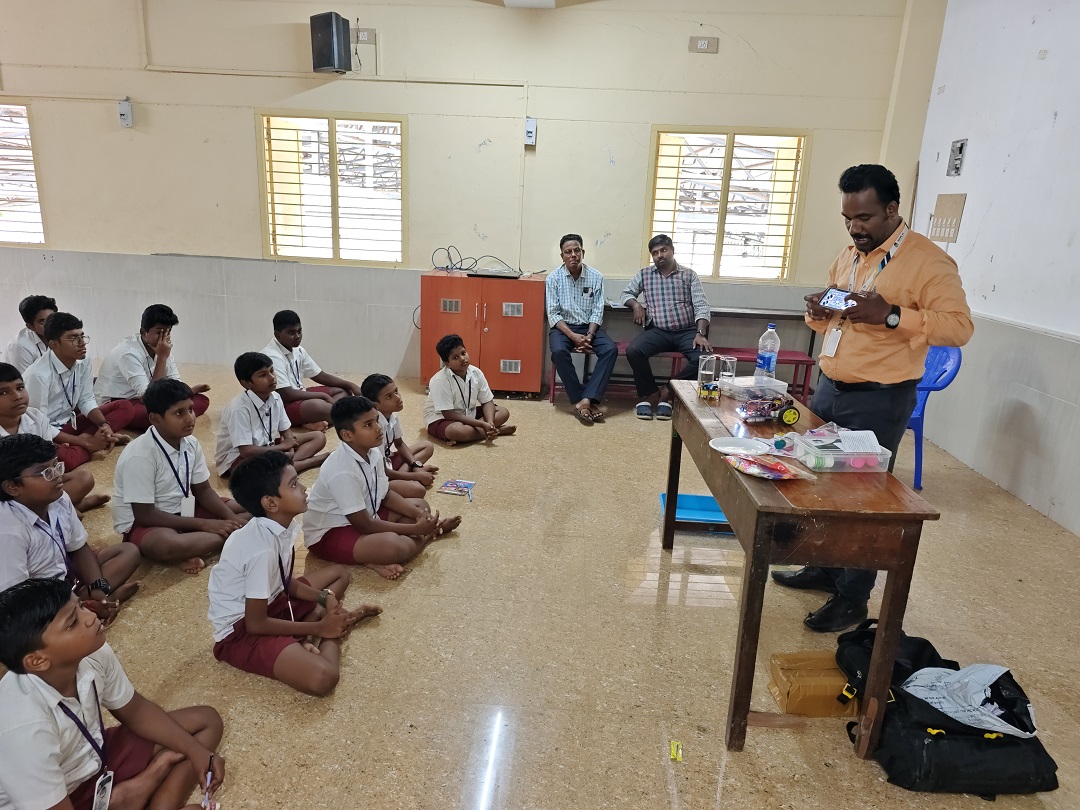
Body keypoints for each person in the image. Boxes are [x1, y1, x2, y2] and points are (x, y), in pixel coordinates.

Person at [772, 164, 973, 633]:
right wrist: (818, 310)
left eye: (864, 218)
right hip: (830, 388)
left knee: (862, 499)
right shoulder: (849, 256)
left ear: (892, 208)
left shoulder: (928, 261)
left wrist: (892, 315)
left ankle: (852, 599)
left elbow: (960, 327)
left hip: (878, 399)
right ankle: (824, 567)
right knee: (819, 485)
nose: (855, 228)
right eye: (848, 219)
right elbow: (833, 320)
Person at [0, 578, 225, 810]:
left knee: (206, 721)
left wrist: (196, 752)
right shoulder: (23, 729)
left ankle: (152, 797)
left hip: (95, 760)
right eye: (73, 622)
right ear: (37, 661)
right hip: (59, 797)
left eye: (81, 606)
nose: (90, 617)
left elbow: (135, 711)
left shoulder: (93, 651)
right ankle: (142, 787)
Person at [208, 451, 381, 695]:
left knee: (339, 574)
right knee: (323, 678)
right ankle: (329, 630)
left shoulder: (279, 526)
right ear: (271, 503)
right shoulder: (260, 550)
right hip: (243, 630)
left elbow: (284, 580)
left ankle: (314, 630)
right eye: (293, 484)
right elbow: (256, 623)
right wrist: (320, 629)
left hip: (273, 602)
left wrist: (323, 597)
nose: (303, 488)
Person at [304, 396, 460, 580]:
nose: (378, 428)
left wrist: (420, 517)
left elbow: (385, 495)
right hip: (330, 533)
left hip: (367, 515)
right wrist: (418, 529)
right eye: (368, 425)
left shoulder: (373, 452)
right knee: (392, 547)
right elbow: (364, 524)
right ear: (347, 435)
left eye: (376, 420)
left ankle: (372, 556)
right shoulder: (342, 471)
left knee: (420, 506)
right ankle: (429, 535)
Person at [0, 434, 140, 625]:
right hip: (34, 600)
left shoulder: (59, 498)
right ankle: (85, 608)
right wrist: (76, 604)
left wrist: (98, 590)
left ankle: (93, 604)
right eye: (44, 472)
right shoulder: (8, 531)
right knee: (38, 628)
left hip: (65, 577)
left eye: (56, 466)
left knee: (128, 552)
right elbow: (16, 602)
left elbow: (79, 547)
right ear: (12, 487)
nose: (57, 476)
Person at [112, 379, 249, 575]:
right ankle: (231, 536)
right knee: (166, 545)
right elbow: (145, 514)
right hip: (149, 522)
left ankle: (207, 540)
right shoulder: (140, 455)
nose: (190, 418)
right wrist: (206, 524)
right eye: (179, 413)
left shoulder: (191, 443)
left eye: (191, 409)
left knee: (252, 507)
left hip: (185, 509)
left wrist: (231, 519)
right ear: (155, 419)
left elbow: (203, 490)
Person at [620, 234, 713, 420]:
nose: (660, 255)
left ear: (672, 250)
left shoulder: (689, 275)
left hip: (687, 332)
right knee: (634, 350)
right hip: (658, 331)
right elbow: (625, 294)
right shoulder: (645, 274)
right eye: (655, 253)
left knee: (705, 358)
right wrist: (636, 305)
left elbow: (702, 306)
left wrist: (700, 333)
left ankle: (668, 390)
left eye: (663, 250)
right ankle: (651, 393)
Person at [23, 312, 136, 462]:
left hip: (71, 422)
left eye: (82, 336)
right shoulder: (38, 375)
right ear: (54, 345)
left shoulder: (83, 361)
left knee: (125, 407)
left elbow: (86, 399)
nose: (82, 343)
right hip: (49, 431)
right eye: (73, 338)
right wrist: (86, 443)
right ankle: (94, 443)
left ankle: (99, 439)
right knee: (64, 460)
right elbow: (39, 426)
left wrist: (104, 425)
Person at [0, 362, 109, 513]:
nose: (17, 396)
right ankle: (67, 508)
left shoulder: (35, 416)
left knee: (84, 478)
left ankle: (58, 509)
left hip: (40, 480)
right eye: (3, 393)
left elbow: (48, 460)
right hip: (8, 491)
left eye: (20, 388)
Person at [95, 303, 211, 432]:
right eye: (159, 332)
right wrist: (162, 358)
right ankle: (171, 415)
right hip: (121, 402)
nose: (164, 338)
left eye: (168, 332)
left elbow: (175, 382)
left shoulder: (163, 347)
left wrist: (186, 392)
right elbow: (149, 397)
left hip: (144, 397)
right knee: (150, 416)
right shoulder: (128, 353)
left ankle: (172, 414)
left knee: (201, 400)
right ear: (144, 333)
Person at [214, 352, 328, 477]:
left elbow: (286, 431)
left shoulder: (276, 397)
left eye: (272, 371)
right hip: (238, 458)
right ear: (246, 383)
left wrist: (289, 451)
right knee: (255, 472)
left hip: (268, 447)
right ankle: (312, 461)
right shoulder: (239, 408)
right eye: (263, 375)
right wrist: (283, 447)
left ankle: (285, 465)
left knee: (318, 437)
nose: (272, 377)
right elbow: (246, 451)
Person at [546, 233, 619, 423]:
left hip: (589, 327)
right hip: (563, 328)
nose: (573, 255)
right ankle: (580, 399)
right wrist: (573, 336)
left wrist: (589, 335)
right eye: (568, 252)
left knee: (610, 350)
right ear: (562, 256)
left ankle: (587, 399)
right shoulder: (553, 278)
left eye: (576, 250)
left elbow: (597, 310)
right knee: (559, 351)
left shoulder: (596, 276)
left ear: (583, 253)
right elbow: (553, 314)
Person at [261, 309, 362, 430]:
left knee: (344, 391)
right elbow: (286, 394)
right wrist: (321, 396)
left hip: (300, 395)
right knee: (320, 407)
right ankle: (316, 417)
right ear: (278, 335)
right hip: (282, 404)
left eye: (299, 331)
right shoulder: (272, 356)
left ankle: (313, 420)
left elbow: (320, 375)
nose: (297, 336)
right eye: (291, 333)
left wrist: (350, 384)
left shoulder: (298, 349)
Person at [422, 334, 516, 445]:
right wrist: (482, 424)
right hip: (441, 417)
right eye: (455, 357)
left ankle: (486, 430)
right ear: (447, 363)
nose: (462, 359)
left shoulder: (476, 372)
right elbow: (449, 414)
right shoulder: (440, 380)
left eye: (463, 353)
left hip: (467, 413)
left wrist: (490, 423)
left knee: (503, 412)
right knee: (457, 431)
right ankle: (497, 430)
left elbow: (487, 401)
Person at [361, 372, 438, 497]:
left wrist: (415, 466)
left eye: (396, 391)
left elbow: (400, 444)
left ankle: (407, 474)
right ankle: (406, 477)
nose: (397, 398)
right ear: (376, 405)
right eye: (389, 397)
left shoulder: (392, 415)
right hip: (378, 474)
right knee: (418, 490)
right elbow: (383, 471)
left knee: (427, 446)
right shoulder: (375, 427)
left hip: (387, 461)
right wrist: (416, 476)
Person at [2, 294, 56, 373]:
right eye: (42, 322)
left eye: (52, 318)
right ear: (30, 326)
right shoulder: (20, 347)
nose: (50, 324)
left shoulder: (60, 334)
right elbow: (24, 380)